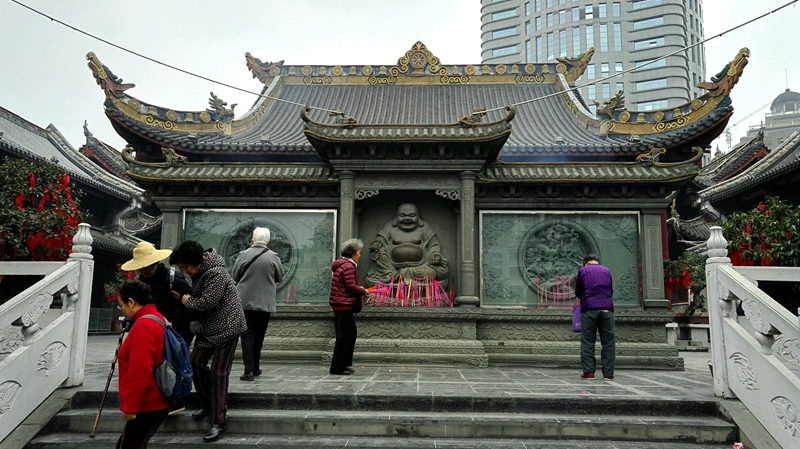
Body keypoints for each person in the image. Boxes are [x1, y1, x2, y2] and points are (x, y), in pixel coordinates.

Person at [169, 240, 247, 443]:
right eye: (181, 268)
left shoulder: (216, 273)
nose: (185, 272)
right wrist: (185, 298)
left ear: (196, 262)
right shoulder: (200, 271)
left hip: (228, 326)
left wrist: (187, 301)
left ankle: (218, 421)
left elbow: (208, 303)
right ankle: (209, 405)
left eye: (186, 267)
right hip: (209, 328)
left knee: (218, 372)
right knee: (195, 363)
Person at [121, 241, 194, 415]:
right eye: (141, 268)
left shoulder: (172, 276)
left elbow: (189, 298)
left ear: (155, 262)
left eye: (147, 267)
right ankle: (164, 397)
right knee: (158, 364)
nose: (145, 271)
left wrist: (193, 320)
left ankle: (176, 399)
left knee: (171, 364)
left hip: (176, 328)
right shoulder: (140, 282)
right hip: (154, 327)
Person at [115, 279, 174, 449]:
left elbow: (139, 370)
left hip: (148, 402)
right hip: (158, 399)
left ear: (131, 302)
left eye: (122, 305)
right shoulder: (158, 318)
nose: (123, 310)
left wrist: (130, 407)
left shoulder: (143, 325)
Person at [232, 227, 285, 381]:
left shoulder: (243, 255)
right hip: (265, 301)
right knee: (260, 335)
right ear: (268, 241)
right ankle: (255, 366)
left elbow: (235, 275)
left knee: (247, 335)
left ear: (252, 240)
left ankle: (248, 370)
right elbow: (280, 277)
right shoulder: (273, 256)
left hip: (245, 301)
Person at [366, 203, 449, 289]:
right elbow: (380, 240)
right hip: (390, 268)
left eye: (411, 215)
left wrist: (435, 256)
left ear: (418, 215)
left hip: (421, 267)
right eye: (402, 215)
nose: (407, 218)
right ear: (396, 215)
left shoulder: (424, 228)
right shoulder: (390, 227)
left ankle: (399, 275)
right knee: (376, 251)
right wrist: (377, 243)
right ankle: (392, 274)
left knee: (436, 272)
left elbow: (433, 246)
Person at [329, 238, 368, 375]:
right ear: (352, 253)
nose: (360, 255)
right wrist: (363, 290)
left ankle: (345, 363)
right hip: (343, 305)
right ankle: (337, 367)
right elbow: (351, 287)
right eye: (358, 252)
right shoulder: (348, 266)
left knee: (350, 334)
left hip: (341, 304)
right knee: (344, 336)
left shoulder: (343, 265)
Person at [574, 254, 616, 381]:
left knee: (588, 341)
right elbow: (611, 290)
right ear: (597, 262)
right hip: (607, 309)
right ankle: (608, 373)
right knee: (608, 342)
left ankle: (589, 372)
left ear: (586, 263)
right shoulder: (606, 270)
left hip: (589, 309)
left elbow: (578, 292)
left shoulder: (582, 271)